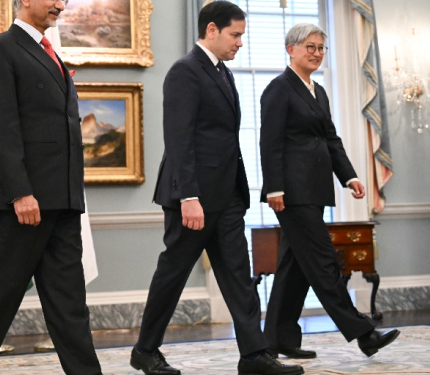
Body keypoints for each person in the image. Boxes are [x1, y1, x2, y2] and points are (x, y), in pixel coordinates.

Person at [130, 2, 303, 375]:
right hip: (192, 199)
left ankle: (254, 356)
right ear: (212, 30)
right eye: (235, 35)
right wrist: (188, 197)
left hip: (227, 198)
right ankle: (145, 350)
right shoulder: (184, 72)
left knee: (239, 277)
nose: (240, 42)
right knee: (172, 275)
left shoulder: (223, 73)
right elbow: (179, 139)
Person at [0, 0, 102, 374]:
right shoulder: (0, 49)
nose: (60, 4)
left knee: (70, 302)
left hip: (63, 200)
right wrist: (20, 191)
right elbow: (3, 127)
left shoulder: (50, 54)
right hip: (26, 201)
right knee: (1, 297)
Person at [260, 23, 400, 360]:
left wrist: (349, 176)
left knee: (294, 267)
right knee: (324, 262)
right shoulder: (278, 89)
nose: (317, 53)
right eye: (310, 46)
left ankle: (277, 340)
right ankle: (364, 333)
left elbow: (330, 139)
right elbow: (270, 142)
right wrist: (274, 188)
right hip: (292, 193)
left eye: (321, 48)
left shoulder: (318, 91)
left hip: (316, 188)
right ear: (290, 49)